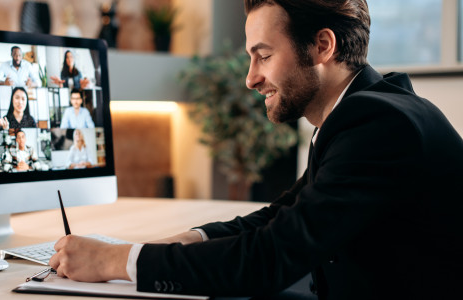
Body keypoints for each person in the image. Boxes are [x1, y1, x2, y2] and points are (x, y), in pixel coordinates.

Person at [48, 0, 463, 299]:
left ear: (322, 46)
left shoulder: (376, 126)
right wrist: (188, 240)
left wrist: (116, 262)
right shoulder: (364, 113)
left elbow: (270, 258)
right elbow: (281, 217)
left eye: (263, 55)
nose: (250, 78)